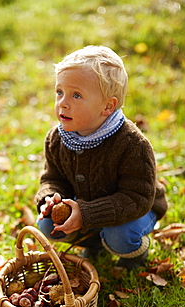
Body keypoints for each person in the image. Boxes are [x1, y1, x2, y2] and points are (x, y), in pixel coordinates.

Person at [34, 45, 167, 270]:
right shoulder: (58, 138)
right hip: (87, 205)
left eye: (76, 95)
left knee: (119, 235)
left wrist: (86, 214)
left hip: (135, 209)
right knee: (47, 225)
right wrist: (51, 198)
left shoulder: (132, 144)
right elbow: (52, 178)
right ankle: (94, 243)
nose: (63, 102)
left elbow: (137, 198)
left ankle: (134, 253)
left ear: (107, 106)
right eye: (59, 92)